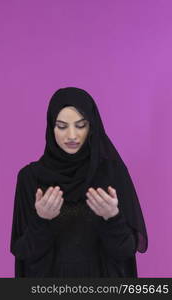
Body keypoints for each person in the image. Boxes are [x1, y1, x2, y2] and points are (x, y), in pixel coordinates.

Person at [10, 87, 148, 278]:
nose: (72, 136)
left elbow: (126, 251)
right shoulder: (30, 178)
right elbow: (24, 252)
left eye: (81, 125)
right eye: (62, 126)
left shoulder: (112, 173)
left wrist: (112, 217)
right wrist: (41, 220)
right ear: (51, 127)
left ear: (92, 126)